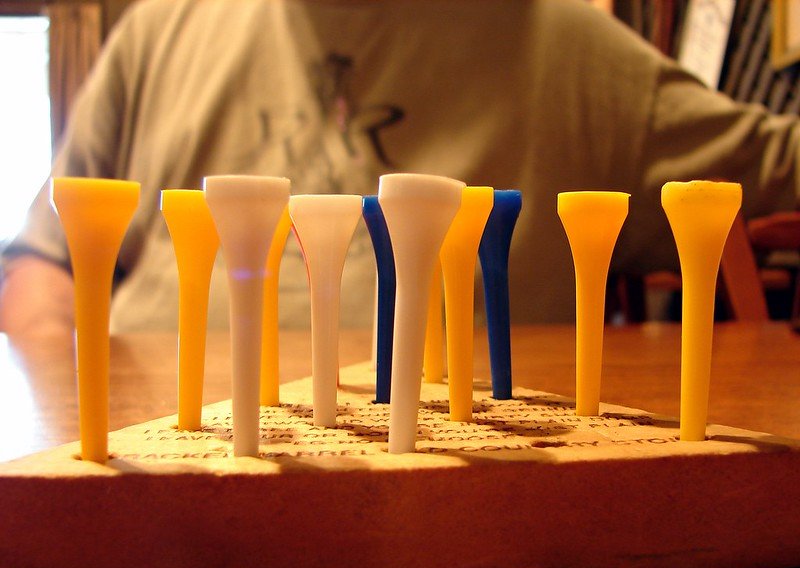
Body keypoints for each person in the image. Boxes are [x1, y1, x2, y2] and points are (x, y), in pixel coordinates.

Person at [1, 0, 798, 336]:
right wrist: (70, 393)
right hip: (140, 501)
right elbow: (45, 258)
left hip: (476, 514)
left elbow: (778, 166)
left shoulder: (579, 53)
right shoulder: (158, 29)